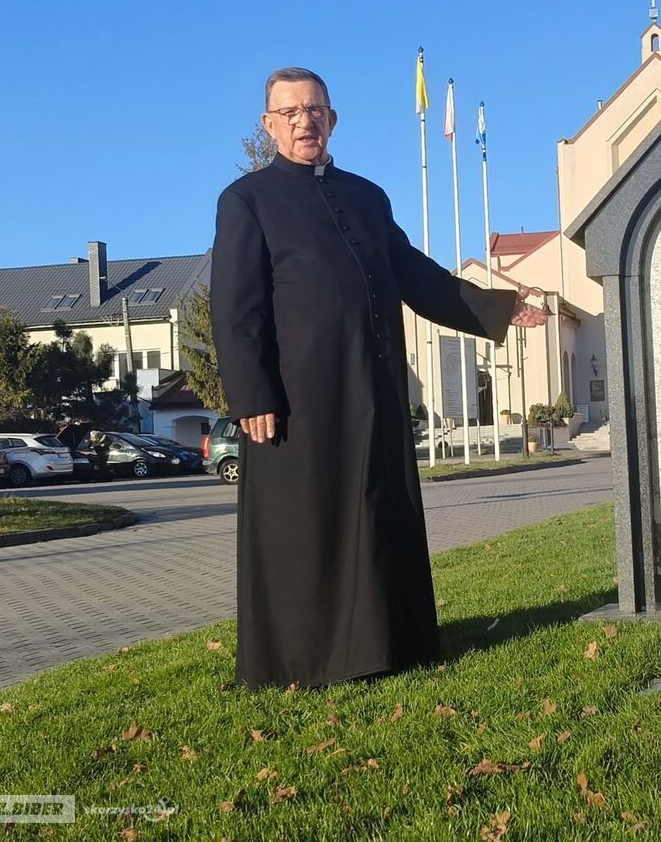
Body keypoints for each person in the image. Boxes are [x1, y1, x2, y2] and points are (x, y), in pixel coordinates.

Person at [210, 67, 548, 689]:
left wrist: (497, 309)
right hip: (297, 398)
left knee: (375, 509)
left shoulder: (367, 197)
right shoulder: (247, 201)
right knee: (305, 523)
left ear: (332, 118)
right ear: (268, 125)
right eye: (289, 113)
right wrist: (252, 393)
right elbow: (235, 308)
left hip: (373, 386)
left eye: (314, 110)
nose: (303, 122)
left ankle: (386, 644)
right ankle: (304, 660)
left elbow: (415, 276)